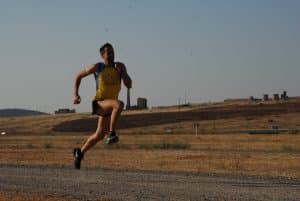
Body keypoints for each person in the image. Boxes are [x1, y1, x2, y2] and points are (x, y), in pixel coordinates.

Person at [72, 43, 132, 169]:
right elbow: (78, 76)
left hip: (110, 107)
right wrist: (76, 95)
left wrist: (123, 73)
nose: (111, 55)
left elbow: (129, 84)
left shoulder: (120, 67)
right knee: (119, 104)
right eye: (108, 53)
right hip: (99, 103)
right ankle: (112, 133)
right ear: (102, 55)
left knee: (98, 135)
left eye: (113, 52)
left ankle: (79, 153)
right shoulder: (97, 67)